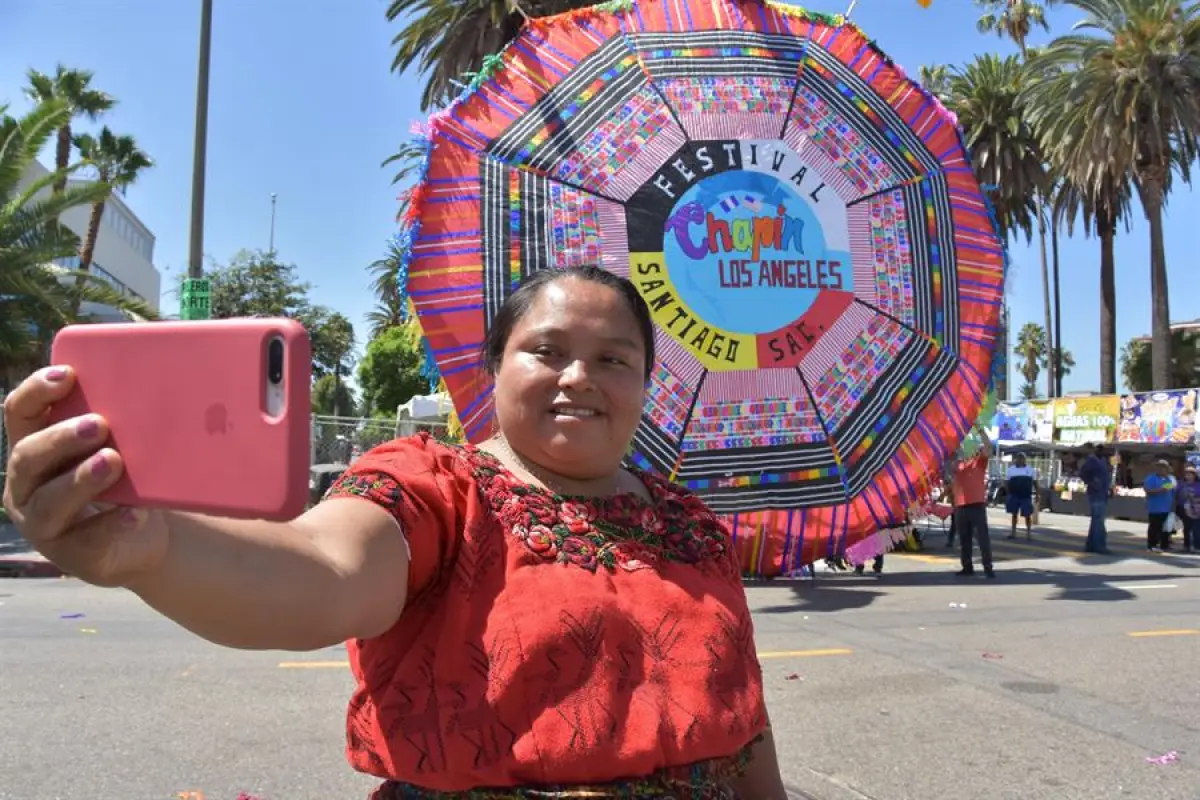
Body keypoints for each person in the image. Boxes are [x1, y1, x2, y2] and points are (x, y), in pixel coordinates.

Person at [1, 265, 787, 799]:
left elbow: (744, 724)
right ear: (492, 370)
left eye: (614, 359)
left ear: (645, 384)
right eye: (546, 351)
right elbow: (323, 571)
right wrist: (159, 549)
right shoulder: (434, 486)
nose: (579, 377)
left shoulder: (690, 523)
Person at [951, 423, 995, 579]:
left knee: (982, 537)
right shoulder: (957, 465)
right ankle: (967, 567)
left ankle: (988, 567)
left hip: (976, 504)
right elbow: (950, 458)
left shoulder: (979, 461)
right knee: (964, 539)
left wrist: (981, 430)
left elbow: (989, 447)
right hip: (961, 505)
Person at [1078, 444, 1113, 554]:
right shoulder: (1091, 460)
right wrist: (1092, 482)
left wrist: (1109, 488)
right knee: (1098, 520)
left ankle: (1091, 545)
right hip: (1095, 493)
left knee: (1096, 520)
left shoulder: (1103, 460)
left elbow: (1106, 477)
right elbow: (1082, 474)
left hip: (1102, 493)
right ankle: (1099, 546)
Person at [1144, 459, 1178, 553]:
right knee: (1154, 527)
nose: (1161, 469)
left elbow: (1174, 491)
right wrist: (1160, 490)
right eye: (1159, 467)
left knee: (1167, 528)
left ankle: (1165, 545)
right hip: (1155, 508)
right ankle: (1152, 545)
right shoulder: (1151, 478)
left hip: (1167, 508)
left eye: (1163, 467)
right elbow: (1148, 490)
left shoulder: (1170, 479)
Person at [1004, 452, 1036, 540]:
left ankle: (1029, 534)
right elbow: (1006, 482)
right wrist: (1008, 493)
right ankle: (1013, 532)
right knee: (1014, 514)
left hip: (1026, 495)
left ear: (1025, 459)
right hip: (1014, 495)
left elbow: (1035, 482)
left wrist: (1038, 494)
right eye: (1019, 458)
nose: (1020, 459)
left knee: (1027, 515)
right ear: (1016, 459)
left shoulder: (1030, 470)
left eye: (1022, 458)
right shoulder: (1011, 470)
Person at [1178, 466, 1200, 554]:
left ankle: (1197, 546)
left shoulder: (1198, 485)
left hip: (1196, 510)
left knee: (1196, 528)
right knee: (1186, 528)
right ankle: (1186, 546)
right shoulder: (1180, 484)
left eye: (1190, 474)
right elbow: (1173, 491)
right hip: (1183, 508)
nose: (1188, 476)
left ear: (1195, 475)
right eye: (1187, 474)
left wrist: (1195, 499)